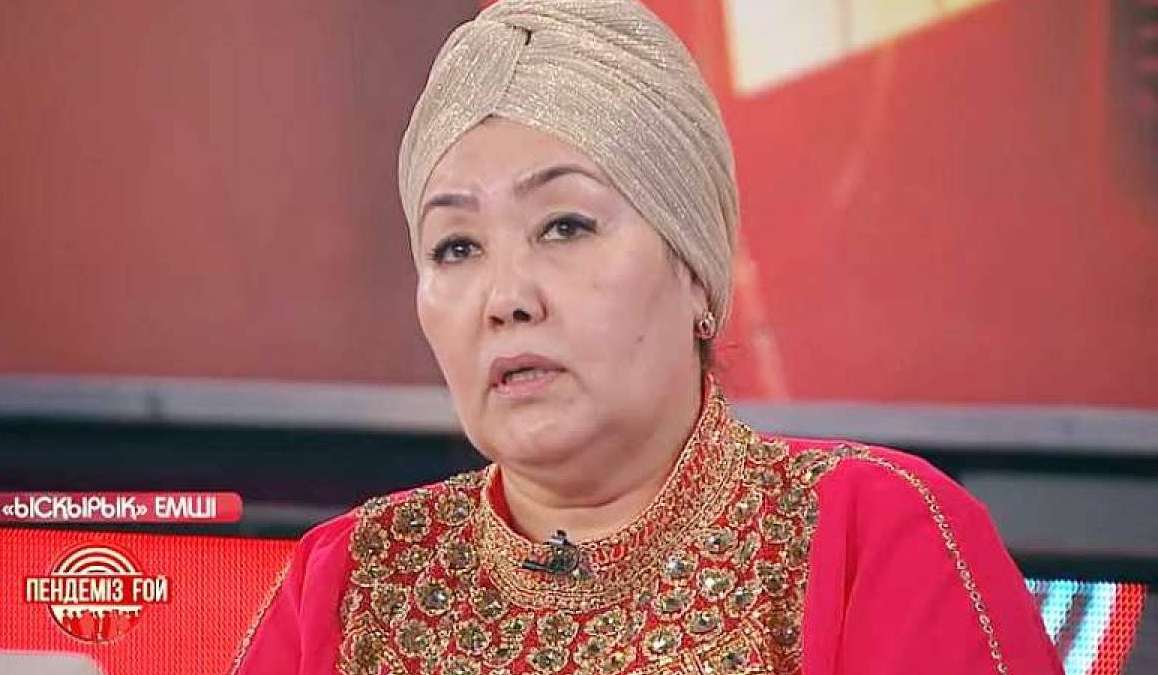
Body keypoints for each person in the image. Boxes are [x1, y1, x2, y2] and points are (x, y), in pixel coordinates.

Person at [231, 1, 1064, 673]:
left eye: (564, 225)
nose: (505, 298)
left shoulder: (872, 535)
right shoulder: (349, 579)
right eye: (456, 247)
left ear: (696, 270)